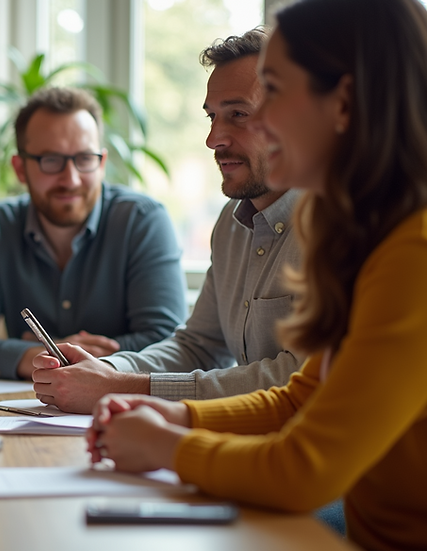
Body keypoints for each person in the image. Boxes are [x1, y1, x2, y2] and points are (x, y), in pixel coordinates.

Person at [86, 1, 427, 549]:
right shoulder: (367, 235)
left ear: (342, 103)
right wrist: (175, 413)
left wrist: (166, 445)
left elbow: (304, 470)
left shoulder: (414, 253)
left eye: (274, 93)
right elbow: (300, 399)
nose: (258, 123)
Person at [30, 29, 304, 414]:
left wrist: (123, 386)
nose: (213, 139)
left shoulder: (335, 227)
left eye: (238, 115)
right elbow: (198, 346)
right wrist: (102, 371)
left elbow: (299, 380)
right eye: (212, 117)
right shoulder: (231, 223)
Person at [0, 87, 187, 380]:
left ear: (102, 163)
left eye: (84, 159)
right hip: (24, 408)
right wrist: (38, 356)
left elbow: (168, 342)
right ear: (20, 169)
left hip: (122, 407)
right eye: (51, 160)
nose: (70, 179)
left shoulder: (142, 221)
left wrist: (79, 359)